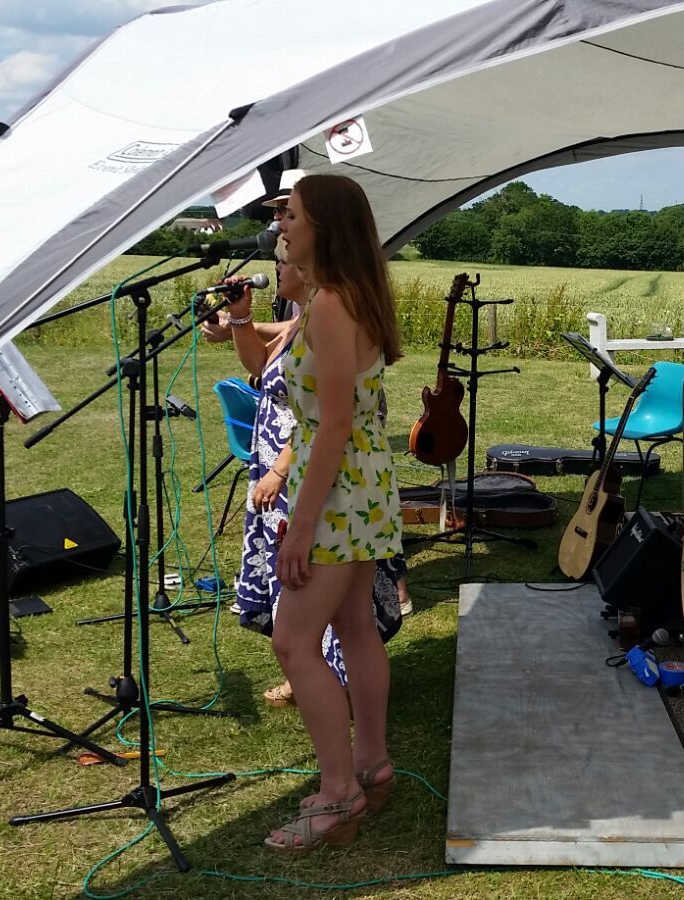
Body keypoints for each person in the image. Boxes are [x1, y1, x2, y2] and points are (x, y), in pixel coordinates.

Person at [245, 174, 405, 851]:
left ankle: (339, 792)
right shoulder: (334, 297)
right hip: (361, 484)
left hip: (339, 490)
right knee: (356, 627)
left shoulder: (334, 304)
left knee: (292, 641)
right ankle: (370, 763)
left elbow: (333, 423)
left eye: (295, 215)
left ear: (326, 228)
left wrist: (302, 525)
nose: (283, 225)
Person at [209, 248, 404, 710]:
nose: (277, 263)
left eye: (284, 250)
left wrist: (284, 479)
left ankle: (329, 702)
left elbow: (327, 419)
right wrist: (241, 319)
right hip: (327, 471)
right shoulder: (309, 315)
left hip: (324, 475)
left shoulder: (332, 310)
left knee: (304, 629)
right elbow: (262, 368)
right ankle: (358, 738)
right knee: (349, 620)